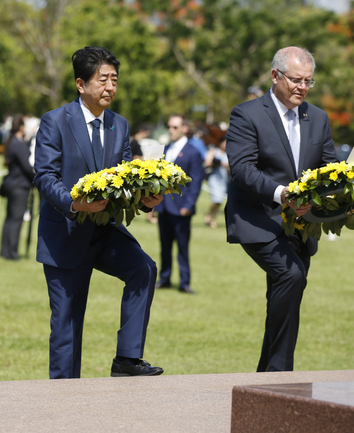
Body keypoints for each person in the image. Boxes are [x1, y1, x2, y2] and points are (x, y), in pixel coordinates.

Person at [224, 46, 354, 372]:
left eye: (308, 81)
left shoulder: (318, 118)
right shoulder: (246, 114)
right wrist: (282, 194)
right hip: (257, 218)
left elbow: (329, 169)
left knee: (288, 289)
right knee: (290, 275)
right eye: (296, 80)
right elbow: (243, 170)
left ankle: (267, 378)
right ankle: (279, 376)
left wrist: (351, 200)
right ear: (275, 76)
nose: (302, 87)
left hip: (302, 224)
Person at [33, 46, 164, 379]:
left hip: (105, 232)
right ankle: (63, 399)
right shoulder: (55, 121)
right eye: (102, 80)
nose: (110, 88)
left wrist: (145, 198)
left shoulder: (119, 125)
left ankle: (127, 359)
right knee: (67, 326)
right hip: (65, 234)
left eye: (114, 80)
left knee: (144, 269)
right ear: (81, 84)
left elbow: (122, 177)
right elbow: (45, 177)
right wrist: (76, 204)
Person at [154, 114, 204, 294]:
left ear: (184, 129)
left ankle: (184, 282)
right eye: (169, 126)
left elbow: (196, 181)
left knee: (183, 248)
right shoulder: (164, 149)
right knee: (164, 247)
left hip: (181, 209)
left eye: (175, 127)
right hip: (164, 207)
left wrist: (188, 206)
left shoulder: (193, 152)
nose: (170, 130)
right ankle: (164, 278)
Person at [0, 116, 35, 260]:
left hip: (12, 184)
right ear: (21, 127)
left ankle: (4, 250)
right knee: (16, 219)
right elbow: (27, 166)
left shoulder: (13, 141)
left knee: (9, 218)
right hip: (19, 186)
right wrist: (37, 179)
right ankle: (12, 252)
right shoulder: (18, 143)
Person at [202, 124, 229, 229]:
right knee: (216, 199)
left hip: (223, 179)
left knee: (219, 201)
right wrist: (218, 163)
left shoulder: (228, 155)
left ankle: (209, 215)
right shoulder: (214, 151)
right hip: (214, 178)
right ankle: (212, 220)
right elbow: (207, 163)